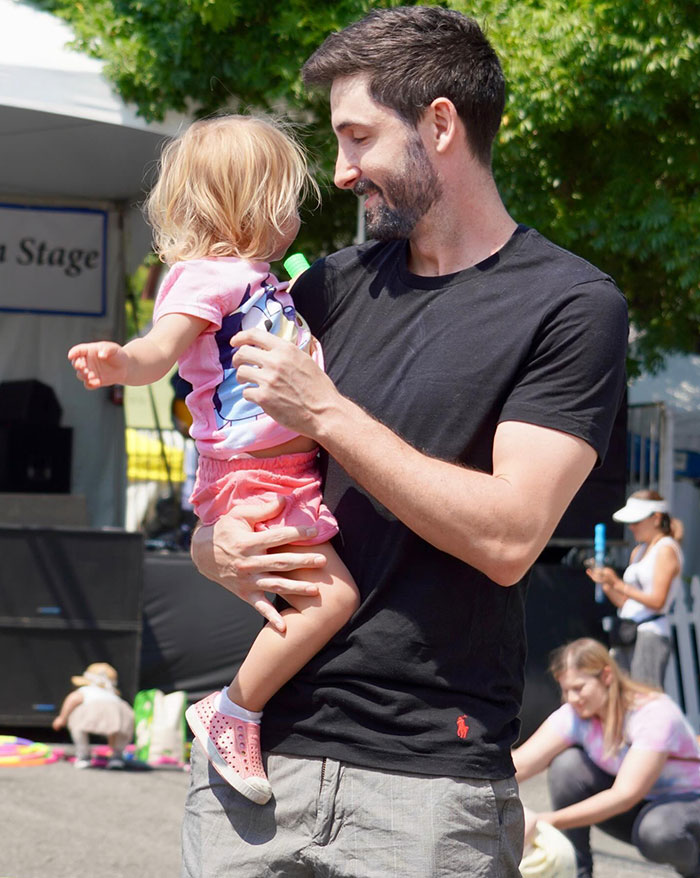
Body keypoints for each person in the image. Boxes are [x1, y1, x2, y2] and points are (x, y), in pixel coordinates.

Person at [183, 6, 628, 876]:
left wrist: (329, 413)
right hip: (253, 762)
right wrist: (217, 547)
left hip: (424, 785)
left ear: (439, 124)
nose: (341, 173)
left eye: (358, 138)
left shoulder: (572, 307)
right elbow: (220, 494)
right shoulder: (321, 292)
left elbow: (507, 539)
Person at [68, 115, 360, 804]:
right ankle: (233, 711)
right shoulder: (207, 277)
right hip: (251, 475)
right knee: (334, 598)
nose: (297, 212)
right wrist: (122, 361)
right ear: (253, 205)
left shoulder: (263, 280)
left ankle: (241, 707)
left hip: (280, 472)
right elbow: (160, 349)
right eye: (287, 198)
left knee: (318, 596)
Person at [513, 638, 700, 878]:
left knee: (657, 830)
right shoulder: (576, 714)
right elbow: (522, 763)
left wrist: (542, 821)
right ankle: (578, 873)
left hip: (688, 804)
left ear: (607, 677)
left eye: (579, 688)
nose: (571, 697)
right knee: (567, 766)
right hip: (642, 807)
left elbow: (624, 795)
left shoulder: (654, 714)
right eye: (565, 689)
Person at [587, 489, 684, 687]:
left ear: (656, 518)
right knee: (621, 696)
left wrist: (617, 583)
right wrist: (606, 584)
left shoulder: (666, 549)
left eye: (637, 521)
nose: (631, 527)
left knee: (643, 697)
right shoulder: (638, 551)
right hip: (627, 632)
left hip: (650, 634)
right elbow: (626, 602)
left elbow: (657, 602)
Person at [51, 662, 134, 770]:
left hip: (92, 712)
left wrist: (62, 718)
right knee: (117, 732)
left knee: (77, 723)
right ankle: (117, 756)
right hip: (119, 713)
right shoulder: (112, 694)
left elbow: (72, 699)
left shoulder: (86, 690)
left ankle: (84, 755)